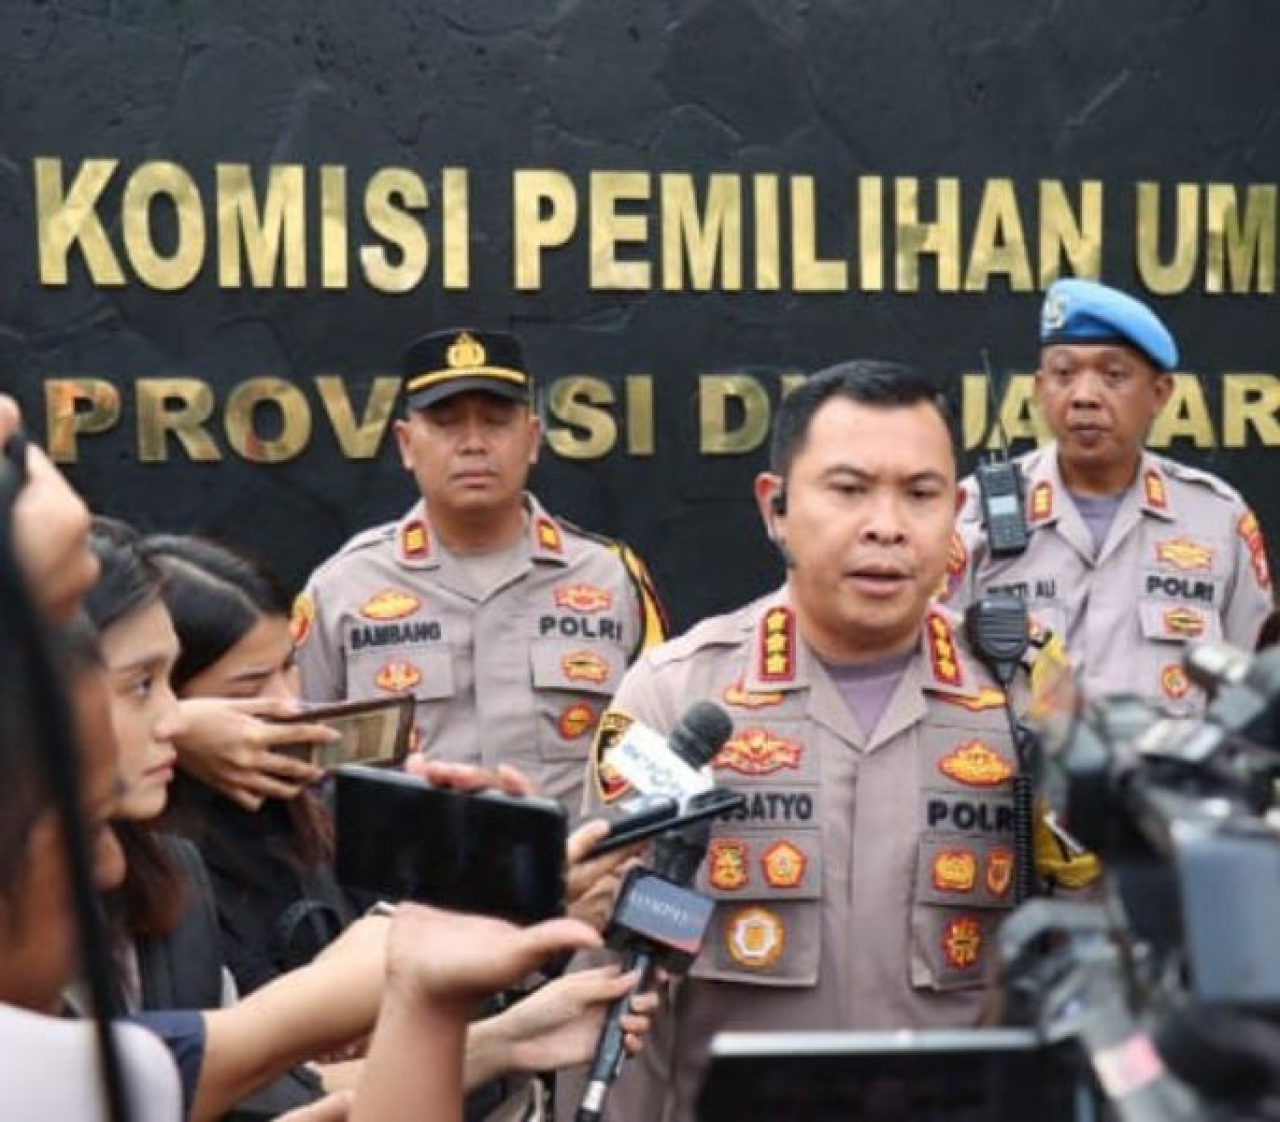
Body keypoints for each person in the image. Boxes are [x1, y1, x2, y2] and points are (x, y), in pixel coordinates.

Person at [565, 360, 1090, 1122]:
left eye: (921, 494)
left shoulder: (1026, 695)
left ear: (957, 511)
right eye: (849, 490)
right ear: (775, 508)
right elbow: (612, 981)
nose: (887, 525)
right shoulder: (677, 695)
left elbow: (1093, 960)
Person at [295, 327, 667, 809]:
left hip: (577, 858)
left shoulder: (611, 579)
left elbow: (661, 763)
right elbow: (303, 771)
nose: (473, 444)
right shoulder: (342, 589)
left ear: (531, 439)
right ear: (406, 444)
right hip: (407, 860)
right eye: (446, 423)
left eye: (495, 422)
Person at [947, 278, 1272, 714]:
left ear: (1159, 393)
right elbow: (939, 673)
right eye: (1064, 374)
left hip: (1166, 759)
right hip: (1020, 758)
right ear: (1040, 389)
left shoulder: (1217, 519)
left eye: (1113, 375)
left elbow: (1254, 690)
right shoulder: (973, 513)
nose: (1084, 397)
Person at [145, 533, 358, 996]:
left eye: (289, 667)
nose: (287, 703)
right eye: (248, 689)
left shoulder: (318, 803)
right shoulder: (142, 852)